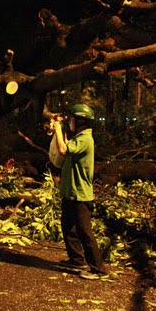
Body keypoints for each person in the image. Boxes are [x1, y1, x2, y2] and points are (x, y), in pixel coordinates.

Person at [51, 103, 110, 280]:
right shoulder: (79, 137)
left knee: (85, 231)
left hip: (80, 193)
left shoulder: (86, 139)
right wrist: (59, 127)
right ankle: (76, 260)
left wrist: (59, 130)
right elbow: (66, 145)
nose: (71, 122)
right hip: (70, 191)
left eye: (73, 119)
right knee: (68, 226)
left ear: (81, 121)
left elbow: (63, 149)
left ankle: (99, 269)